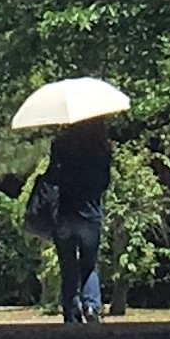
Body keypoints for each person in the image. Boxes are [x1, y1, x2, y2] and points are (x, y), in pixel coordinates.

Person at [37, 116, 114, 324]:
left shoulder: (60, 145)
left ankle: (71, 312)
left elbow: (52, 177)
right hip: (90, 213)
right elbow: (105, 182)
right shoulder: (101, 148)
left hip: (64, 213)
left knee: (68, 265)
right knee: (89, 264)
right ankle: (91, 306)